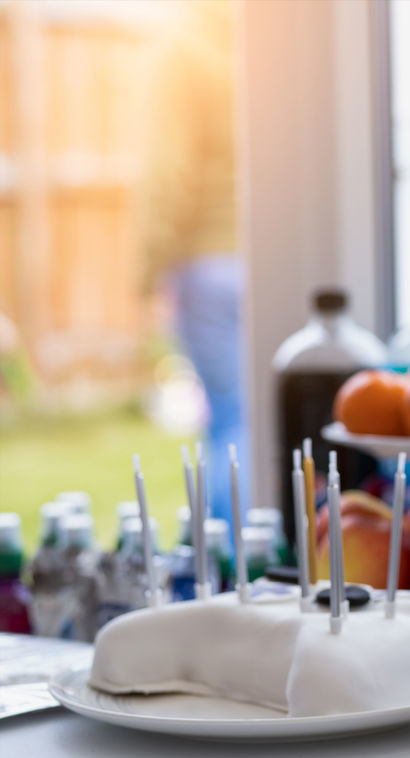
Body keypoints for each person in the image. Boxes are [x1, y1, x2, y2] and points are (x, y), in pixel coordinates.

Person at [143, 0, 242, 522]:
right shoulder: (261, 43)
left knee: (228, 423)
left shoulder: (184, 46)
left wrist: (152, 268)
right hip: (262, 262)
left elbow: (169, 170)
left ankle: (231, 558)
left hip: (207, 258)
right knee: (252, 420)